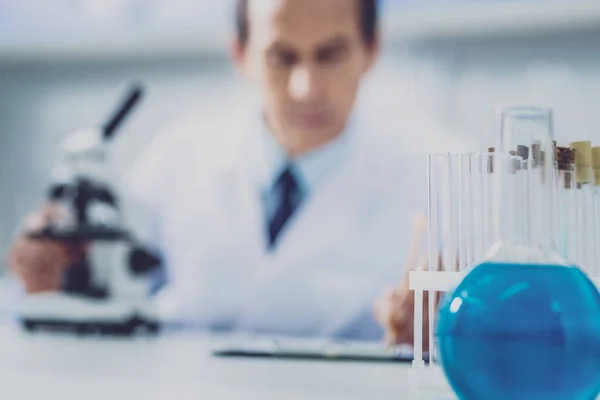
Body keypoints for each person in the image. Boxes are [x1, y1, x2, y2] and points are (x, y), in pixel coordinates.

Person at [8, 0, 460, 347]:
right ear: (241, 55)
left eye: (330, 55)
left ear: (371, 49)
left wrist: (439, 333)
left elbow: (475, 331)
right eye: (282, 57)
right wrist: (55, 281)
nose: (306, 88)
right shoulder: (179, 156)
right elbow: (115, 295)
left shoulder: (440, 173)